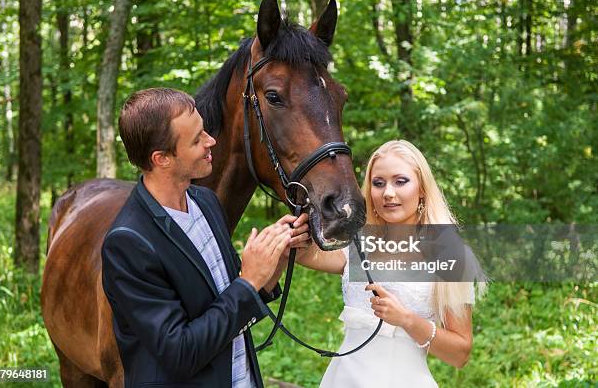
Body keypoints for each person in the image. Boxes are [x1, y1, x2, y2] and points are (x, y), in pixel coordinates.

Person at [101, 88, 309, 387]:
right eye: (197, 139)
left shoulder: (206, 202)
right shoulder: (128, 242)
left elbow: (228, 304)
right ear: (162, 159)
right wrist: (249, 281)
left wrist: (275, 259)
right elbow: (181, 352)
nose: (211, 141)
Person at [295, 140, 484, 387]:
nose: (388, 193)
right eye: (378, 183)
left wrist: (407, 320)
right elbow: (305, 255)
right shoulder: (358, 244)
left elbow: (460, 353)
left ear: (422, 188)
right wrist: (299, 232)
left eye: (401, 181)